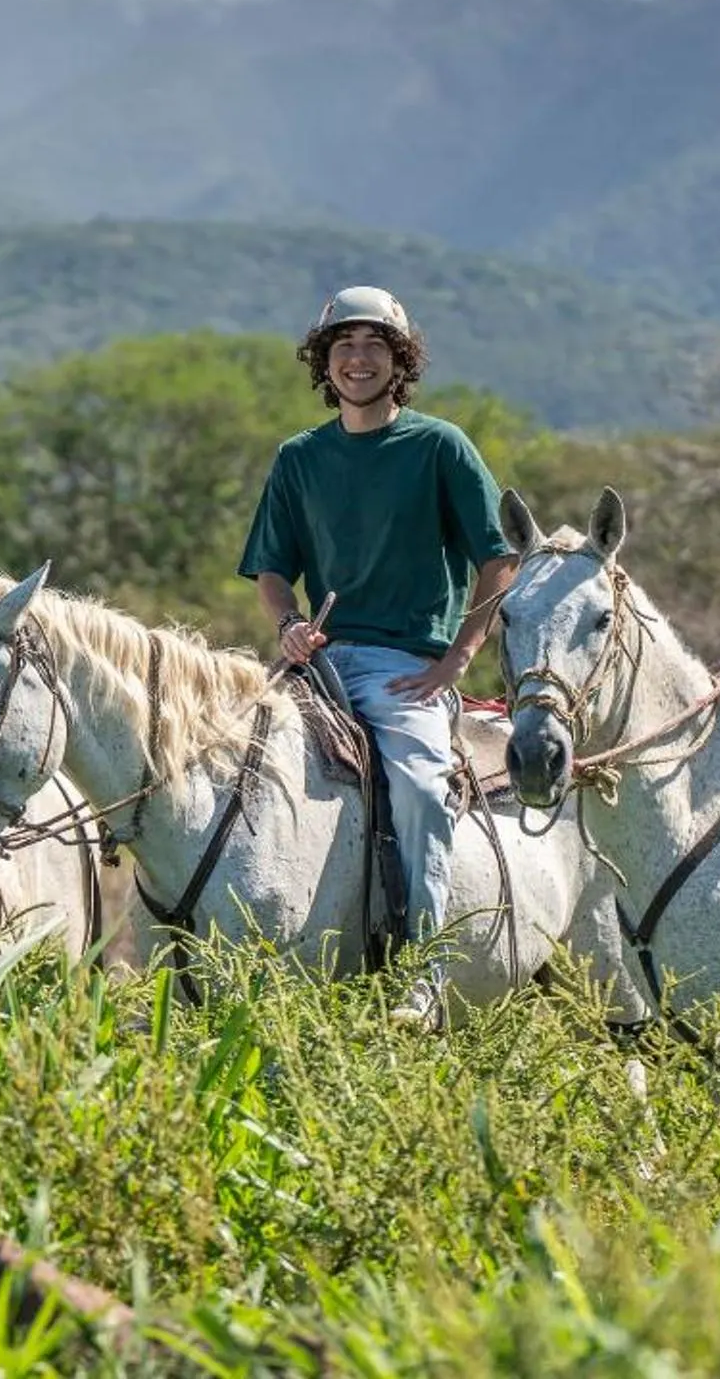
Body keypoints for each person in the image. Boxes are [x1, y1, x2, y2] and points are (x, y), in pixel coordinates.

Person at [239, 287, 516, 1024]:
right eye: (343, 348)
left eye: (373, 347)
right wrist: (289, 623)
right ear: (324, 365)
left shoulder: (440, 446)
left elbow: (499, 560)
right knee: (228, 765)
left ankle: (425, 968)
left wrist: (459, 659)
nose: (357, 360)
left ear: (400, 361)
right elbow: (271, 570)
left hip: (406, 668)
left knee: (421, 791)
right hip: (319, 666)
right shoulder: (300, 457)